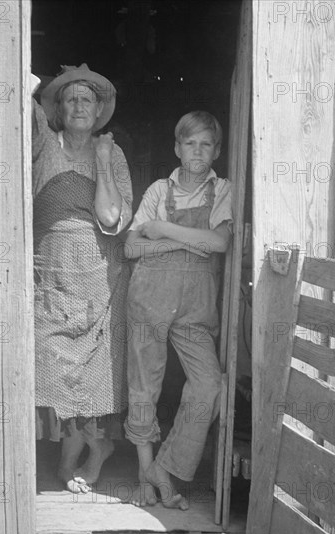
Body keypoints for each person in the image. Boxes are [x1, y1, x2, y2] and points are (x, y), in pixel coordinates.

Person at [123, 111, 233, 510]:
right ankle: (145, 478)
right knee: (143, 388)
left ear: (217, 150)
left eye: (206, 143)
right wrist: (189, 242)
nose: (198, 150)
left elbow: (219, 243)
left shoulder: (223, 190)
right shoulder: (156, 190)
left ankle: (164, 469)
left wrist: (166, 229)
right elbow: (132, 248)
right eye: (190, 143)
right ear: (177, 147)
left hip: (194, 308)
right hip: (150, 296)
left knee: (208, 385)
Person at [32, 65, 132, 494]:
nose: (77, 106)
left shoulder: (114, 153)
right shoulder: (41, 142)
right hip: (49, 268)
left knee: (95, 368)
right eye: (70, 99)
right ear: (57, 108)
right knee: (50, 357)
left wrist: (104, 160)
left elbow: (112, 218)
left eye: (86, 100)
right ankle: (76, 448)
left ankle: (90, 452)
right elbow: (19, 98)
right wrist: (30, 83)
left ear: (98, 111)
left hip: (98, 272)